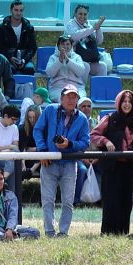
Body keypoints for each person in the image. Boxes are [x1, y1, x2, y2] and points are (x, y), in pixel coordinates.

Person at [34, 85, 89, 237]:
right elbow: (37, 130)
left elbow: (85, 142)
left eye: (74, 97)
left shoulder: (82, 118)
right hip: (49, 161)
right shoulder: (50, 110)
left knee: (68, 201)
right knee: (47, 199)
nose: (71, 100)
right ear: (61, 98)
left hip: (70, 163)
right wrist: (43, 151)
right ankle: (50, 232)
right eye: (68, 96)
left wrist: (69, 144)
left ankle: (63, 232)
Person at [91, 89, 133, 236]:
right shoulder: (109, 118)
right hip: (112, 166)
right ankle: (108, 233)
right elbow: (94, 135)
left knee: (126, 201)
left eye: (130, 102)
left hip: (129, 166)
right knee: (111, 200)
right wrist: (106, 141)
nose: (127, 104)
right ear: (119, 103)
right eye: (124, 101)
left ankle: (123, 232)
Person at [0, 165, 38, 239]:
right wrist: (5, 232)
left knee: (35, 232)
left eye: (1, 179)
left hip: (10, 229)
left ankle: (8, 238)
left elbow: (13, 216)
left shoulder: (11, 195)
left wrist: (9, 229)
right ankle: (11, 238)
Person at [0, 1, 38, 73]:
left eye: (21, 10)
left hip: (25, 58)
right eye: (16, 10)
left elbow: (32, 48)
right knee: (9, 70)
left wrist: (24, 60)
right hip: (8, 58)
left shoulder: (28, 28)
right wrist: (10, 57)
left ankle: (27, 85)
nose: (18, 13)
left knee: (29, 69)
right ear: (11, 10)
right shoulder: (2, 27)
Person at [66, 5, 108, 75]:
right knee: (85, 66)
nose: (82, 16)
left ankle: (101, 86)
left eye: (85, 14)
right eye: (80, 14)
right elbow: (75, 36)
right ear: (75, 14)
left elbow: (98, 41)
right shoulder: (70, 24)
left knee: (102, 66)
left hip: (87, 58)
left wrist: (98, 28)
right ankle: (81, 86)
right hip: (72, 59)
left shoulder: (88, 25)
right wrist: (92, 28)